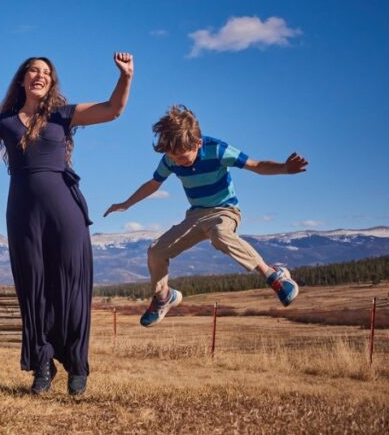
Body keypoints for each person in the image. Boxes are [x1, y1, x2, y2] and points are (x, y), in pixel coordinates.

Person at [0, 52, 135, 395]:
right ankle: (43, 365)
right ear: (22, 79)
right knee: (34, 288)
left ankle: (76, 365)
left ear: (51, 81)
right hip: (23, 213)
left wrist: (125, 76)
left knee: (71, 286)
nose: (39, 75)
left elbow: (112, 110)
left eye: (46, 72)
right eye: (33, 70)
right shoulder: (4, 121)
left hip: (65, 210)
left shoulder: (63, 115)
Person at [104, 105, 309, 327]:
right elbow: (154, 184)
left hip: (225, 210)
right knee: (156, 251)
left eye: (182, 157)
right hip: (196, 215)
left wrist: (285, 168)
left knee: (220, 234)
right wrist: (126, 204)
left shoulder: (217, 150)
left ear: (197, 143)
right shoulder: (170, 159)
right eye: (173, 157)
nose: (178, 162)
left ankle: (274, 276)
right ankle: (164, 296)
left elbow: (256, 165)